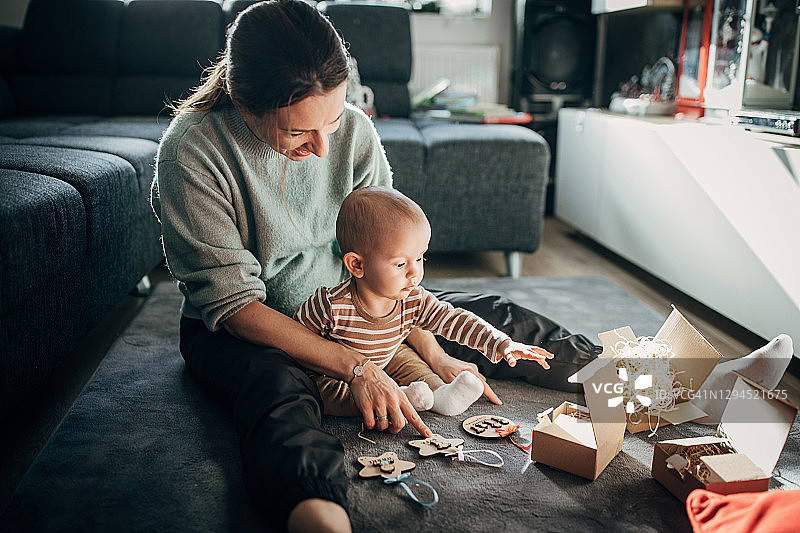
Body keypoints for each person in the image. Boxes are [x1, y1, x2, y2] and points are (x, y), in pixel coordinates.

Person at [151, 1, 601, 531]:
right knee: (276, 384)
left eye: (334, 120)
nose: (323, 148)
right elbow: (234, 306)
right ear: (245, 104)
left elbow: (388, 254)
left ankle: (622, 376)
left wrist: (433, 352)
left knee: (487, 314)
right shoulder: (193, 151)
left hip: (359, 302)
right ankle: (316, 512)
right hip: (249, 322)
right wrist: (356, 365)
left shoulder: (354, 133)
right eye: (298, 133)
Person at [294, 186, 554, 418]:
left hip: (388, 355)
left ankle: (441, 394)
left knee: (411, 360)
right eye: (400, 264)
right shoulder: (330, 304)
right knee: (330, 393)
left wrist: (501, 343)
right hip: (339, 372)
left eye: (420, 258)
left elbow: (454, 320)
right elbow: (297, 340)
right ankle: (401, 398)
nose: (414, 273)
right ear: (357, 265)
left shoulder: (413, 300)